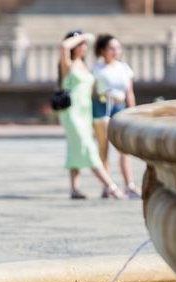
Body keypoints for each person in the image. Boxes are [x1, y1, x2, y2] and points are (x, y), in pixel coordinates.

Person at [58, 30, 124, 199]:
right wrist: (82, 36)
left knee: (75, 148)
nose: (83, 47)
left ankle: (74, 188)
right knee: (88, 148)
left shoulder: (85, 65)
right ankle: (111, 186)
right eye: (80, 45)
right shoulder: (68, 64)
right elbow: (63, 46)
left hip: (86, 112)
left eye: (85, 44)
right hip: (71, 113)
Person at [92, 34, 141, 199]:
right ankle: (107, 185)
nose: (116, 51)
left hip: (119, 106)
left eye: (118, 48)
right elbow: (91, 92)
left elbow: (129, 92)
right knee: (104, 148)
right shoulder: (97, 69)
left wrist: (133, 112)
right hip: (103, 107)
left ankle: (129, 184)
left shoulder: (124, 68)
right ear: (103, 50)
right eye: (112, 48)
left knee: (123, 148)